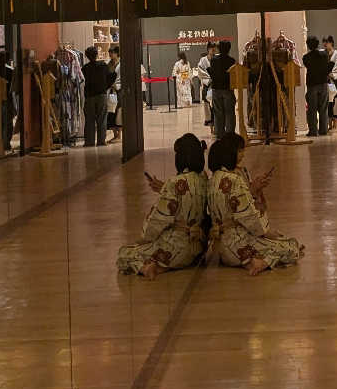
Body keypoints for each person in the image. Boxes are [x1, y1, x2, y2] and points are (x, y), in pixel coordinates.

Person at [207, 132, 303, 274]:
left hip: (222, 246)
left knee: (283, 239)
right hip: (238, 245)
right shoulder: (234, 180)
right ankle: (261, 262)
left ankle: (251, 260)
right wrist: (265, 232)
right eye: (239, 151)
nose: (243, 154)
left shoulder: (213, 179)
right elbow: (249, 217)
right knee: (291, 247)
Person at [117, 132, 208, 277]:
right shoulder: (203, 178)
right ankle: (161, 265)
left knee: (124, 253)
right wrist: (164, 188)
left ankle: (145, 268)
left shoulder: (175, 183)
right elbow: (189, 196)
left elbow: (157, 221)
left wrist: (143, 239)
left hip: (175, 247)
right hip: (197, 246)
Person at [82, 44, 113, 147]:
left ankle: (89, 142)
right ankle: (101, 141)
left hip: (90, 96)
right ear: (97, 54)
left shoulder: (85, 68)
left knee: (89, 119)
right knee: (102, 118)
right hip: (101, 95)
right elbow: (112, 76)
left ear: (87, 56)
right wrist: (106, 87)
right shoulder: (103, 66)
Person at [302, 35, 332, 137]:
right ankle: (323, 130)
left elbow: (308, 66)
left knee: (312, 109)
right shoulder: (324, 54)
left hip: (312, 85)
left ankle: (313, 131)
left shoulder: (306, 58)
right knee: (323, 108)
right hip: (323, 83)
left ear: (308, 46)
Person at [209, 38, 236, 137]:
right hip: (228, 89)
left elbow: (212, 72)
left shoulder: (214, 60)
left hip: (216, 89)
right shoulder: (231, 60)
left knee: (218, 112)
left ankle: (219, 133)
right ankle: (230, 134)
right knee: (230, 112)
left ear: (219, 48)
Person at [324, 35, 337, 129]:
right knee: (327, 103)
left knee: (336, 102)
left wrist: (331, 74)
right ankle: (329, 124)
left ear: (331, 43)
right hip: (325, 81)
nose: (325, 44)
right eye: (324, 42)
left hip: (335, 81)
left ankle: (335, 124)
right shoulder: (322, 53)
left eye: (326, 42)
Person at [197, 41, 216, 126]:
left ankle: (216, 120)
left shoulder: (217, 58)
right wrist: (209, 79)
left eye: (214, 49)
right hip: (207, 84)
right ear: (208, 49)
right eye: (212, 49)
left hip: (216, 85)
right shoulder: (203, 60)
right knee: (207, 103)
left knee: (215, 104)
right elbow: (201, 72)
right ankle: (209, 120)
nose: (214, 51)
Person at [107, 44, 122, 141]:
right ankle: (115, 134)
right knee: (111, 112)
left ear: (116, 53)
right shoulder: (109, 64)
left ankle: (119, 135)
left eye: (111, 53)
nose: (110, 55)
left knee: (118, 112)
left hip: (119, 90)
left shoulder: (121, 64)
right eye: (109, 53)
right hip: (111, 90)